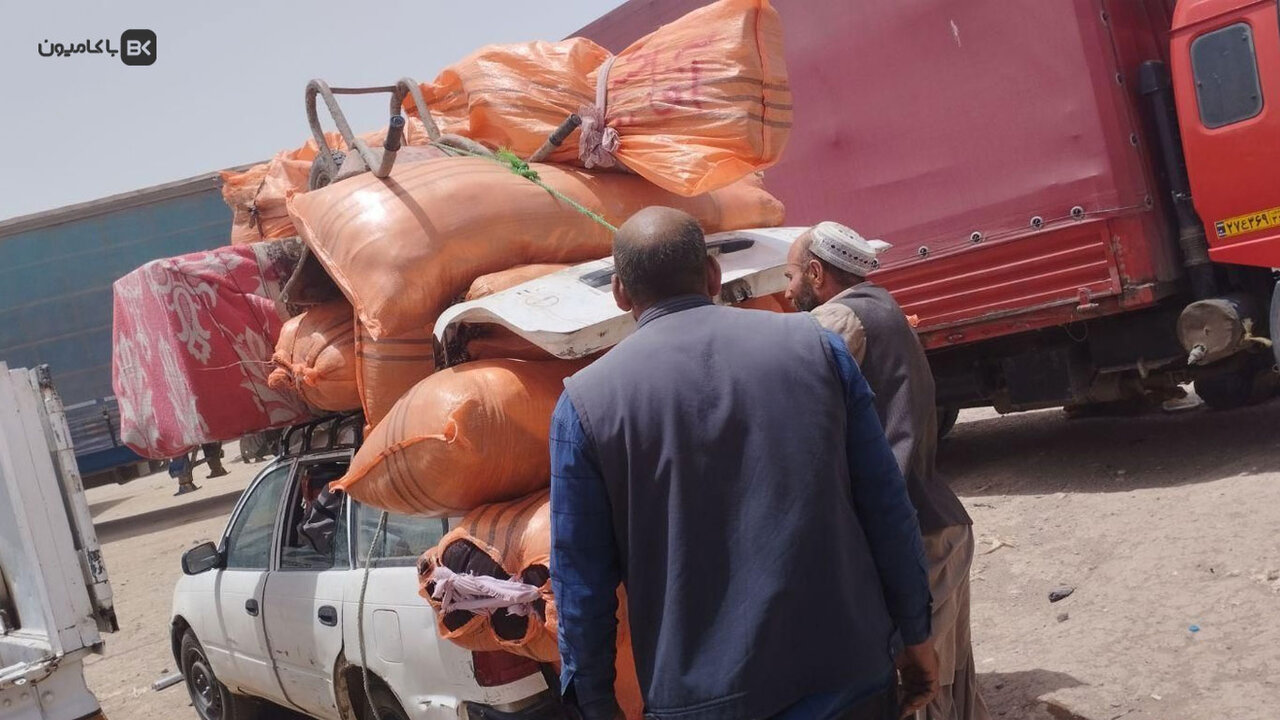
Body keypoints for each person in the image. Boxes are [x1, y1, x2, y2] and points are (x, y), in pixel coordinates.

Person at [550, 207, 937, 720]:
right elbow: (886, 507)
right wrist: (916, 635)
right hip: (847, 677)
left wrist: (596, 702)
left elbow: (581, 585)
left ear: (620, 293)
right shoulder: (816, 348)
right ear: (714, 274)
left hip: (699, 701)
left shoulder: (584, 405)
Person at [783, 221, 988, 720]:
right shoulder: (883, 306)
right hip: (940, 524)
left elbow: (792, 405)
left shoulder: (837, 319)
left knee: (918, 689)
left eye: (789, 276)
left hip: (913, 537)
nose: (786, 292)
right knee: (951, 679)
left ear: (816, 273)